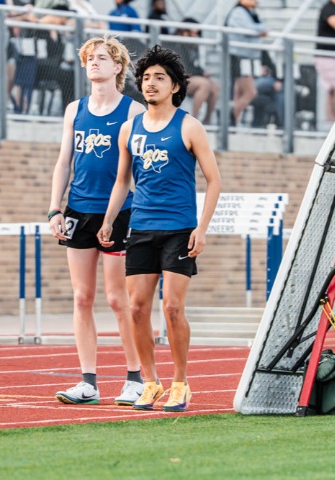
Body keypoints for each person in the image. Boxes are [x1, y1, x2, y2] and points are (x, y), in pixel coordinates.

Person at [98, 45, 221, 412]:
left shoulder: (189, 126)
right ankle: (150, 382)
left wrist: (202, 228)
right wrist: (109, 219)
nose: (151, 83)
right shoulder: (129, 129)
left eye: (159, 78)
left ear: (175, 87)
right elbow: (122, 181)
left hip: (179, 229)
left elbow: (214, 180)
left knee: (172, 308)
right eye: (147, 78)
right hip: (141, 228)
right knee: (136, 308)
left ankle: (181, 383)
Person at [49, 36, 147, 406]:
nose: (94, 62)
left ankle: (135, 378)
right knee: (81, 297)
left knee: (118, 299)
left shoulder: (133, 111)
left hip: (118, 213)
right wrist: (54, 208)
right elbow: (64, 161)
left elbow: (138, 168)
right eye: (90, 58)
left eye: (102, 58)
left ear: (118, 66)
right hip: (78, 211)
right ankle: (87, 381)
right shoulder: (75, 109)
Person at [165, 18, 220, 124]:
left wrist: (202, 73)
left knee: (214, 86)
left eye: (197, 34)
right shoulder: (175, 43)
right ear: (185, 32)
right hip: (175, 79)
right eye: (194, 33)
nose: (196, 37)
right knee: (204, 84)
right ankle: (194, 120)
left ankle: (207, 120)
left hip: (187, 77)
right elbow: (183, 68)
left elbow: (193, 66)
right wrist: (200, 74)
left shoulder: (191, 46)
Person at [225, 0, 268, 125]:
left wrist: (259, 30)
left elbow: (265, 27)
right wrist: (259, 31)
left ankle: (234, 121)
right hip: (240, 56)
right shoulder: (238, 12)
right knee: (250, 92)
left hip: (249, 57)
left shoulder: (253, 13)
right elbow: (247, 30)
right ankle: (231, 115)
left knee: (240, 91)